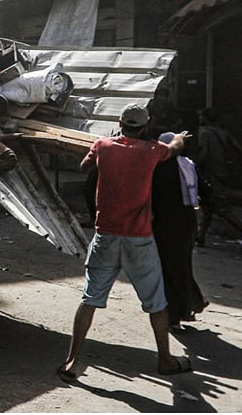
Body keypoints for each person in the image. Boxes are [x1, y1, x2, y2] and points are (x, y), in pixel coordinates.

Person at [57, 104, 192, 382]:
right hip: (138, 238)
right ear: (145, 126)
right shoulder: (152, 151)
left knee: (89, 299)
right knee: (156, 302)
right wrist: (179, 136)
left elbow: (84, 165)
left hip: (105, 234)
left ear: (120, 122)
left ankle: (72, 362)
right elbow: (175, 147)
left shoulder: (103, 146)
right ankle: (165, 360)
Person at [152, 131, 209, 331]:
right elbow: (205, 191)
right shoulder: (188, 166)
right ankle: (193, 301)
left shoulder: (158, 167)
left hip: (164, 224)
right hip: (186, 222)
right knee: (181, 264)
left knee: (169, 269)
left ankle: (176, 314)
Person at [195, 107, 242, 251]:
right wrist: (230, 162)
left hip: (211, 174)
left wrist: (194, 165)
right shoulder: (224, 133)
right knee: (208, 206)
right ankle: (201, 235)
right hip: (222, 172)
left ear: (206, 118)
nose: (199, 119)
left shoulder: (206, 134)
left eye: (201, 116)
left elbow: (204, 154)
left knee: (219, 206)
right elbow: (239, 149)